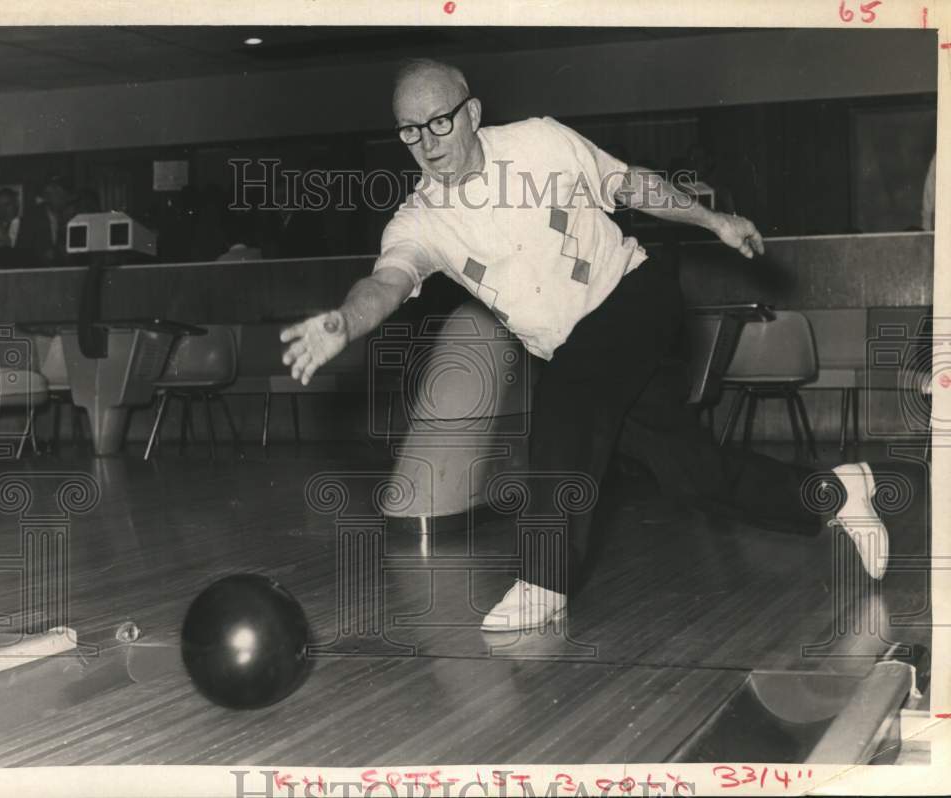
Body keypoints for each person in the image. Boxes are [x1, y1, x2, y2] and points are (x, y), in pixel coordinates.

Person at [280, 59, 890, 632]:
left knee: (565, 400)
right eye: (410, 131)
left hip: (634, 294)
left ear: (471, 114)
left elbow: (630, 186)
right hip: (577, 346)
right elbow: (387, 282)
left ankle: (543, 582)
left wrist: (714, 222)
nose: (428, 142)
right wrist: (343, 323)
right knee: (692, 475)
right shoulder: (420, 220)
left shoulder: (540, 143)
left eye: (439, 122)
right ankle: (837, 492)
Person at [15, 175, 73, 267]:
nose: (61, 197)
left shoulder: (73, 214)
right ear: (46, 195)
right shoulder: (32, 218)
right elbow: (21, 253)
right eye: (55, 192)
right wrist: (42, 256)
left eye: (62, 192)